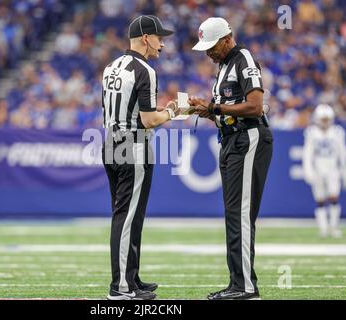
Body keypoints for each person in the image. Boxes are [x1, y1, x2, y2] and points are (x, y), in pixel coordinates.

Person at [188, 17, 273, 300]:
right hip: (231, 140)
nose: (209, 52)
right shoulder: (225, 65)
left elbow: (255, 105)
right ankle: (238, 283)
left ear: (227, 39)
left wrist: (216, 107)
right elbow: (228, 109)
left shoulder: (243, 59)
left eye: (212, 46)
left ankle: (246, 287)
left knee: (241, 214)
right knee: (234, 215)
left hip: (248, 138)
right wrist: (208, 111)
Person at [101, 15, 179, 300]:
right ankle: (121, 286)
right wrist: (172, 112)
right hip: (132, 145)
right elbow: (147, 120)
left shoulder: (111, 66)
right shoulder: (145, 70)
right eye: (159, 37)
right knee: (127, 216)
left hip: (110, 142)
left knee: (127, 215)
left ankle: (130, 278)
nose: (162, 43)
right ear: (146, 37)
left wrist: (162, 112)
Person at [303, 104, 346, 238]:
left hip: (332, 169)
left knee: (334, 197)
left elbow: (342, 153)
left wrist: (345, 172)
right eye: (323, 119)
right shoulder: (311, 132)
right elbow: (308, 154)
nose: (325, 122)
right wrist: (308, 170)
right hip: (318, 168)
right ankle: (323, 229)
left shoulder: (337, 131)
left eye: (327, 119)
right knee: (320, 200)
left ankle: (333, 227)